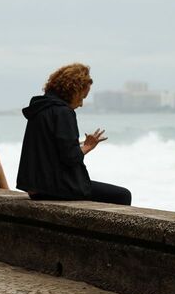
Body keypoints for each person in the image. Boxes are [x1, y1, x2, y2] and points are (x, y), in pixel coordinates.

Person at [17, 63, 131, 205]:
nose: (81, 104)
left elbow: (47, 148)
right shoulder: (64, 112)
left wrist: (73, 144)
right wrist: (88, 146)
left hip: (36, 187)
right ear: (73, 90)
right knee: (123, 195)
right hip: (55, 188)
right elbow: (70, 157)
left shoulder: (40, 108)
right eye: (82, 97)